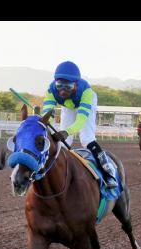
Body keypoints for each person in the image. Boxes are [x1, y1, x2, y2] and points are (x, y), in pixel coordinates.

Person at [41, 61, 118, 189]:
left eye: (68, 86)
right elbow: (47, 116)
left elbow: (80, 121)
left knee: (87, 139)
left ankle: (109, 173)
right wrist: (46, 122)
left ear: (76, 84)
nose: (63, 91)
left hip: (84, 103)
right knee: (63, 143)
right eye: (60, 85)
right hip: (68, 106)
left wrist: (66, 132)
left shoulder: (86, 92)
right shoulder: (51, 90)